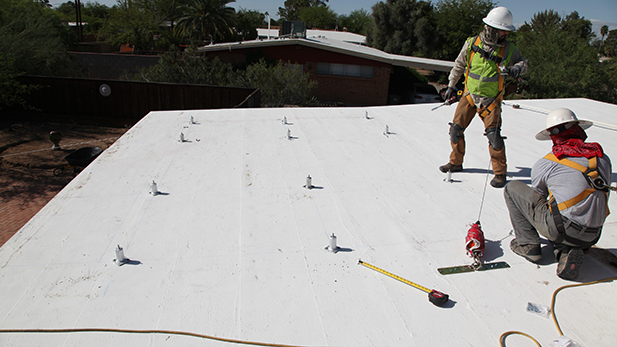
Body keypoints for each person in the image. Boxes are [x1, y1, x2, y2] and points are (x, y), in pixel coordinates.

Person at [504, 108, 612, 280]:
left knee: (512, 188)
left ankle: (528, 245)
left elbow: (536, 200)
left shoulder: (548, 163)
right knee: (564, 207)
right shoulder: (602, 157)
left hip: (564, 230)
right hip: (593, 235)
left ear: (553, 136)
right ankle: (566, 251)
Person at [439, 6, 528, 188]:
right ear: (492, 29)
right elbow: (459, 64)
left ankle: (500, 173)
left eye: (506, 31)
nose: (504, 35)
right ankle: (455, 163)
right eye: (502, 31)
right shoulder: (472, 43)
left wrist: (515, 69)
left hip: (491, 100)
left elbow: (523, 64)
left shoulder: (509, 50)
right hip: (469, 95)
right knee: (455, 130)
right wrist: (450, 86)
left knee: (494, 136)